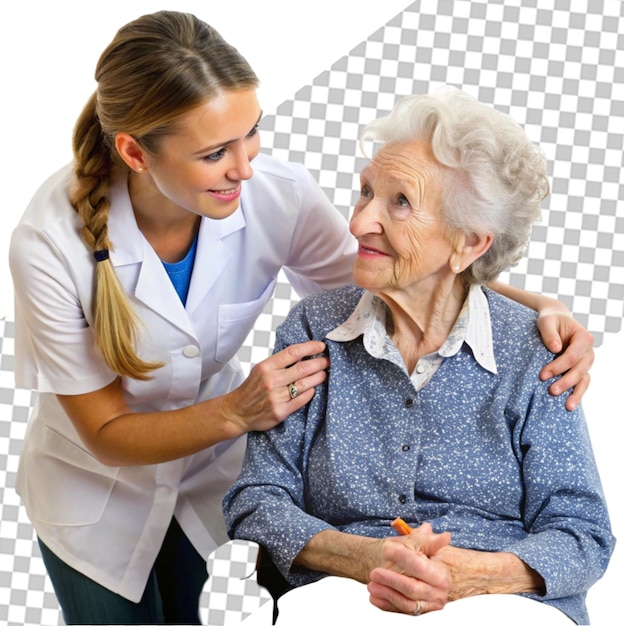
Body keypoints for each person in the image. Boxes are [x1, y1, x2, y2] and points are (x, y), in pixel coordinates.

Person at [8, 9, 592, 625]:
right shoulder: (49, 242)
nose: (245, 167)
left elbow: (403, 265)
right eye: (214, 153)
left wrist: (540, 307)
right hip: (96, 485)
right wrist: (238, 411)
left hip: (204, 477)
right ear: (134, 151)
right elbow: (106, 433)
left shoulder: (273, 196)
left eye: (251, 132)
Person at [223, 87, 615, 625]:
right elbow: (257, 501)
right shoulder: (314, 330)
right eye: (365, 192)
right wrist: (366, 558)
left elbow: (582, 534)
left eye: (400, 202)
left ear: (470, 244)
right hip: (345, 599)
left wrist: (476, 574)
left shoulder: (535, 353)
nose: (359, 222)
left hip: (499, 606)